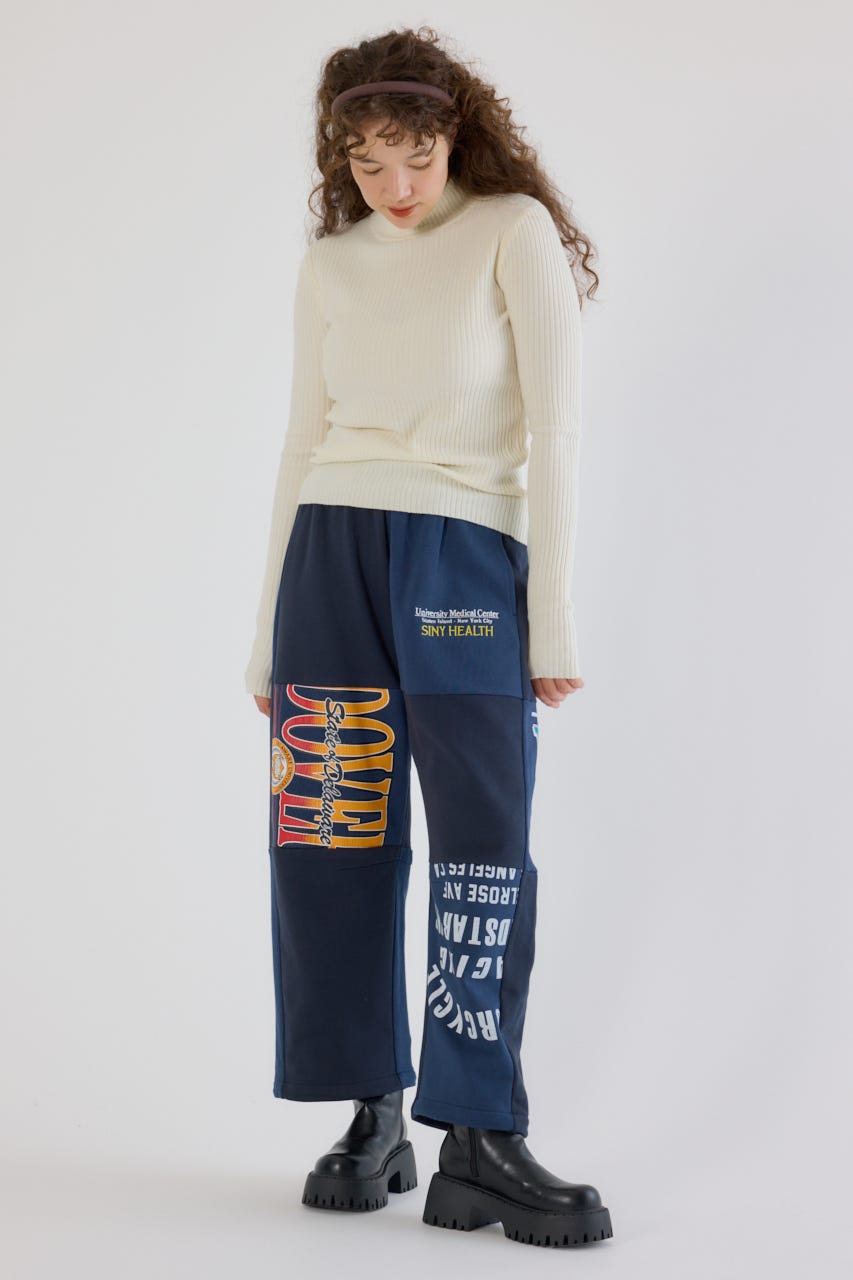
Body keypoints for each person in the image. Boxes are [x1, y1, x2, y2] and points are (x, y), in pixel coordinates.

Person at [244, 27, 613, 1249]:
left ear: (456, 134)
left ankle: (480, 1134)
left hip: (464, 559)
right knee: (329, 832)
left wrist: (551, 613)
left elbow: (556, 430)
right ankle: (375, 1109)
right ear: (339, 159)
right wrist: (266, 631)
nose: (394, 188)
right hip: (329, 558)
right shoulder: (332, 264)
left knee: (481, 850)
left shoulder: (510, 230)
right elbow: (300, 440)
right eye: (367, 165)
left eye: (414, 157)